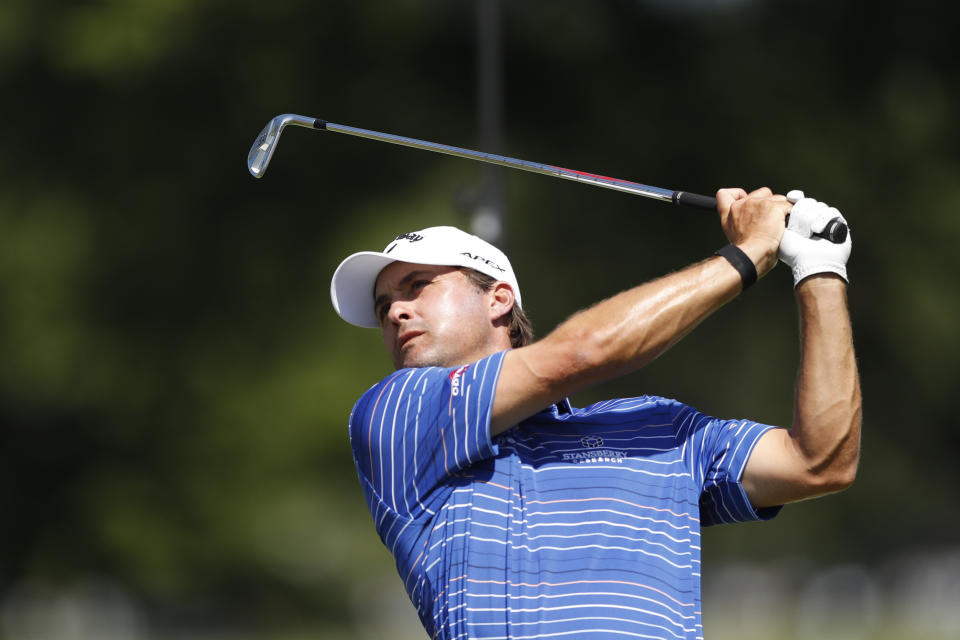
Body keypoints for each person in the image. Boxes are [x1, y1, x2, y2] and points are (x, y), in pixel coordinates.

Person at [330, 187, 861, 640]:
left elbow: (820, 461)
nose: (395, 311)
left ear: (498, 300)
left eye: (416, 286)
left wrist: (819, 269)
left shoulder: (660, 428)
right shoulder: (398, 413)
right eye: (383, 307)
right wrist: (748, 253)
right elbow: (583, 353)